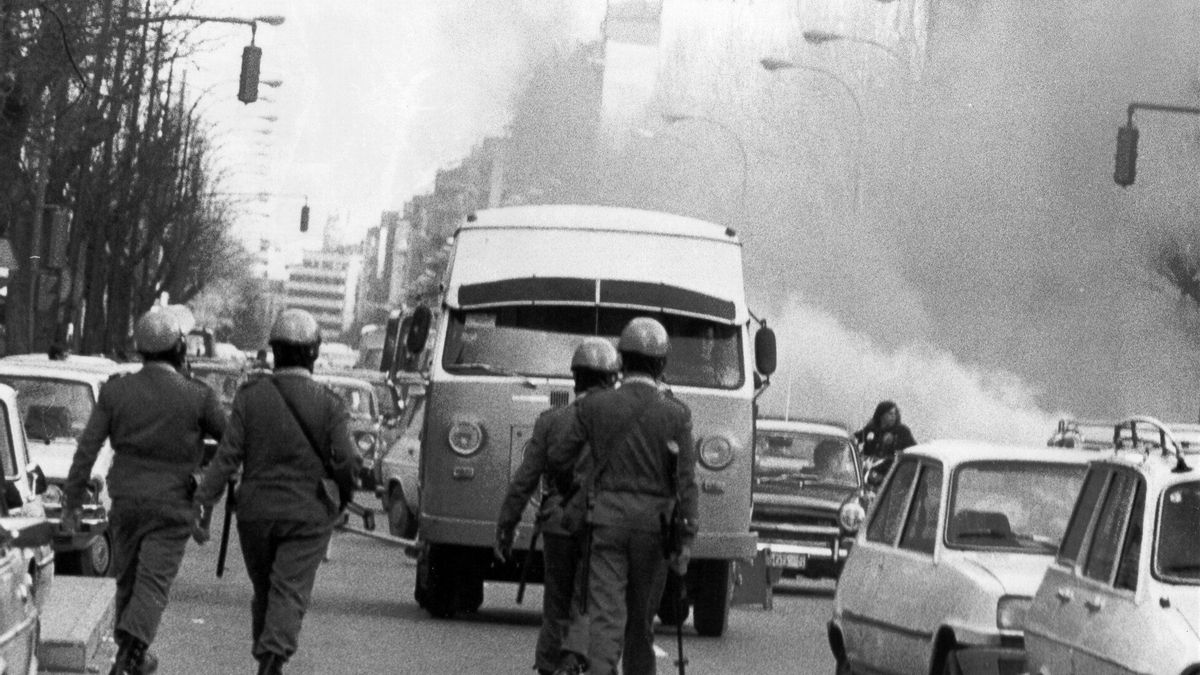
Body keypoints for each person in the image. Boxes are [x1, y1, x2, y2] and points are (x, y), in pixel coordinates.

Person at [64, 308, 226, 675]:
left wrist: (72, 502)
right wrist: (207, 500)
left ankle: (132, 653)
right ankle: (130, 656)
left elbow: (87, 449)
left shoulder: (117, 391)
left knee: (129, 579)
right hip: (172, 506)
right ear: (180, 348)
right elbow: (231, 449)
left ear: (141, 350)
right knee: (152, 584)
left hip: (125, 503)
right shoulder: (199, 396)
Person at [194, 308, 357, 675]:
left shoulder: (250, 397)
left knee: (267, 589)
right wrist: (344, 497)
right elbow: (347, 460)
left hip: (254, 516)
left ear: (274, 352)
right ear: (313, 353)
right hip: (308, 515)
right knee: (290, 590)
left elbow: (226, 457)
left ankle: (268, 652)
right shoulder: (330, 404)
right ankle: (271, 658)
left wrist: (203, 502)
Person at [548, 317, 699, 675]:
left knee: (604, 617)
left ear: (621, 359)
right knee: (641, 621)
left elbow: (558, 457)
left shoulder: (595, 407)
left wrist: (574, 490)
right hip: (654, 530)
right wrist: (687, 539)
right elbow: (686, 481)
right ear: (662, 364)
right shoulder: (676, 414)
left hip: (605, 525)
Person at [494, 338, 621, 675]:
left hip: (556, 524)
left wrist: (507, 525)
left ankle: (551, 665)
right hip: (600, 525)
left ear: (575, 379)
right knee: (588, 600)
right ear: (611, 380)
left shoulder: (551, 421)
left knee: (556, 605)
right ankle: (574, 658)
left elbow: (525, 479)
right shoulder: (619, 424)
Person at [855, 400, 917, 483]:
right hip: (868, 474)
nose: (893, 417)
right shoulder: (871, 428)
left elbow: (913, 450)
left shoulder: (902, 431)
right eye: (890, 414)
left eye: (895, 414)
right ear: (881, 415)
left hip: (891, 476)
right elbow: (854, 439)